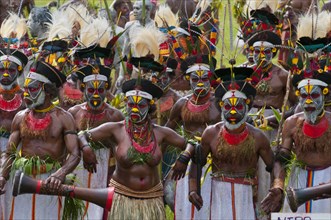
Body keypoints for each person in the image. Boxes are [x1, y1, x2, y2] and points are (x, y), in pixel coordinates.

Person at [78, 78, 194, 219]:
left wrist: (184, 157)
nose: (134, 109)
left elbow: (191, 143)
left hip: (152, 200)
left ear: (149, 106)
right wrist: (86, 149)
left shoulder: (160, 132)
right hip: (123, 199)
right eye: (131, 104)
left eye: (140, 105)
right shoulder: (116, 129)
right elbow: (82, 136)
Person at [189, 67, 274, 219]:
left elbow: (275, 165)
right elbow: (197, 162)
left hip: (247, 197)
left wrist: (277, 189)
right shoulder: (211, 134)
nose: (233, 112)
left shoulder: (258, 137)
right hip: (217, 196)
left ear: (247, 106)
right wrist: (193, 189)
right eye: (228, 106)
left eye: (238, 106)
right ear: (221, 106)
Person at [0, 61, 81, 219]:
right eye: (26, 89)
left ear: (48, 91)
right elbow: (9, 152)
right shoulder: (20, 117)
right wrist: (3, 175)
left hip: (51, 181)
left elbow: (75, 153)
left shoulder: (64, 118)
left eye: (33, 89)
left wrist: (60, 174)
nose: (26, 93)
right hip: (21, 177)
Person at [261, 69, 331, 214]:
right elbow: (282, 158)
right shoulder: (291, 123)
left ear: (324, 95)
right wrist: (278, 186)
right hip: (298, 180)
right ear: (298, 96)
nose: (309, 101)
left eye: (314, 95)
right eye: (304, 96)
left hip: (327, 181)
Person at [165, 55, 222, 219]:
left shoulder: (219, 103)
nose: (200, 83)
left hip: (212, 161)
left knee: (210, 203)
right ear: (188, 79)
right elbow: (167, 131)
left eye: (204, 79)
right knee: (182, 202)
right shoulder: (182, 104)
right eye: (195, 79)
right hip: (186, 160)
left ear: (210, 79)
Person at [68, 64, 124, 219]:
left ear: (106, 90)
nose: (96, 95)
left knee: (102, 206)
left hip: (106, 166)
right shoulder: (74, 113)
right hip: (78, 164)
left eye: (100, 90)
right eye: (91, 90)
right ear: (84, 89)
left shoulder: (115, 115)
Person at [0, 48, 28, 219]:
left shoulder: (27, 98)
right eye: (1, 69)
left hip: (15, 152)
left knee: (10, 193)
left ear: (18, 71)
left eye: (10, 70)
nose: (5, 73)